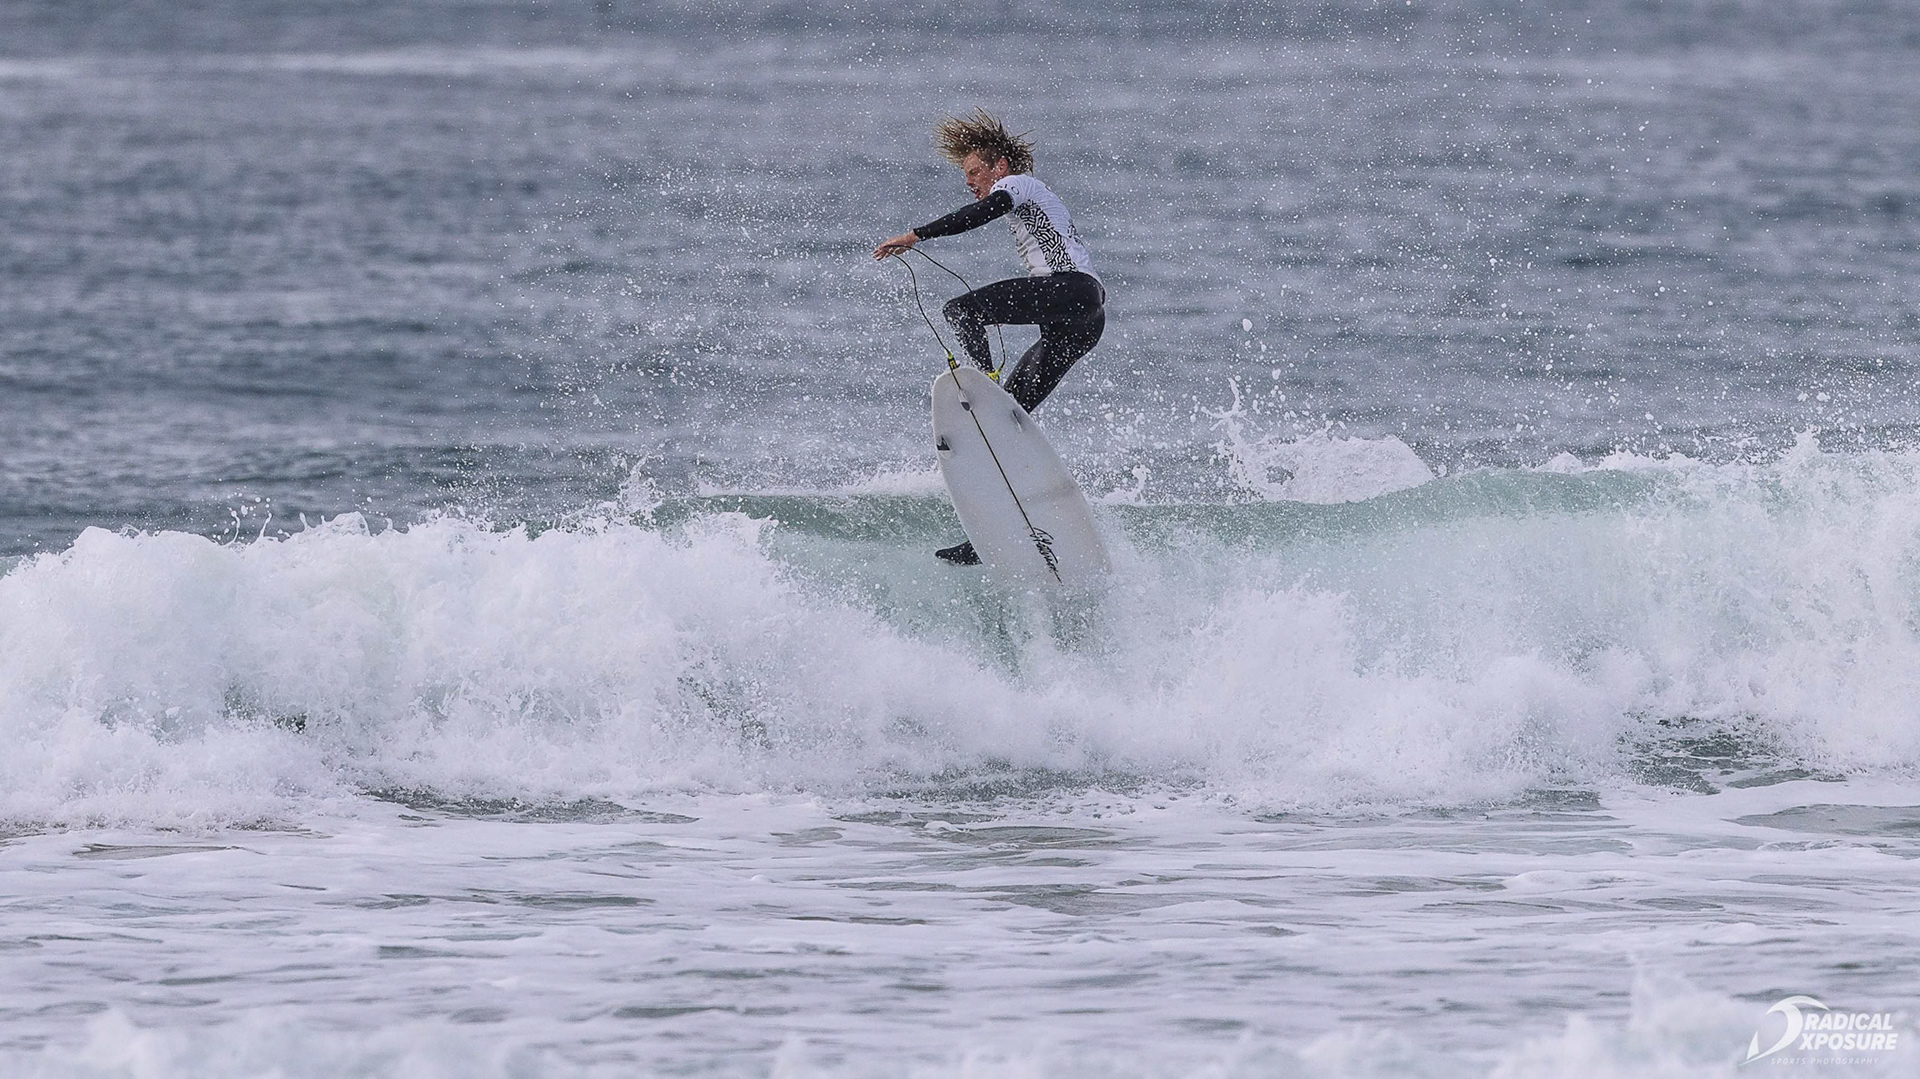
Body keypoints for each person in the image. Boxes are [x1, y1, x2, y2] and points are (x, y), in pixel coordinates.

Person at [872, 109, 1107, 565]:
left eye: (975, 171)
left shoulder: (1019, 185)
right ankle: (991, 537)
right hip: (1082, 321)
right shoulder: (1027, 196)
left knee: (962, 311)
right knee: (1006, 423)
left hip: (1071, 290)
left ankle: (985, 382)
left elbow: (982, 212)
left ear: (1000, 165)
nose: (969, 182)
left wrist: (916, 235)